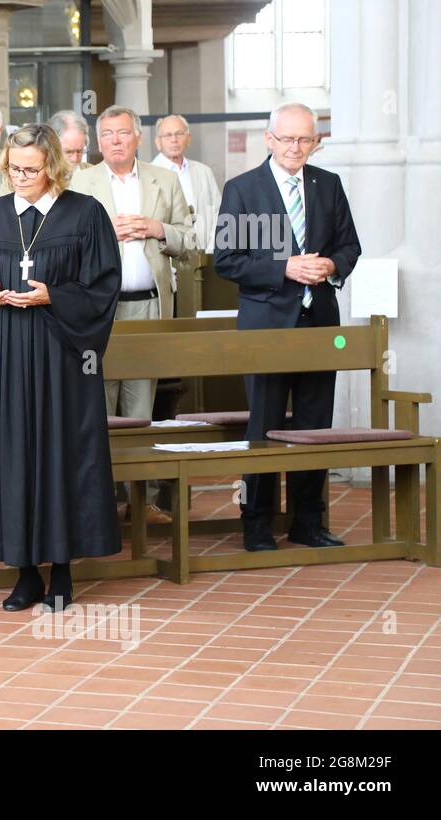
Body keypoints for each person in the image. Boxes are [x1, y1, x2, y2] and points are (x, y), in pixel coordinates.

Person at [0, 123, 122, 613]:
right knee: (13, 455)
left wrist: (54, 295)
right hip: (6, 354)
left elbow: (104, 288)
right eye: (13, 169)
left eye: (31, 169)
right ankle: (24, 573)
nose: (20, 177)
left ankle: (62, 571)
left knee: (62, 453)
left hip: (63, 355)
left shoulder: (85, 215)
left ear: (53, 167)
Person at [214, 102, 361, 552]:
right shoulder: (242, 189)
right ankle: (257, 522)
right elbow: (227, 260)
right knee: (265, 426)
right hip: (266, 328)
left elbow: (350, 247)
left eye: (305, 140)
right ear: (269, 138)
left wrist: (331, 265)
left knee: (314, 425)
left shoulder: (328, 185)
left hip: (319, 323)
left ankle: (307, 521)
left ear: (315, 142)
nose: (296, 148)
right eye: (288, 139)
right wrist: (285, 268)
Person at [69, 104, 195, 524]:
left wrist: (158, 230)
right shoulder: (79, 181)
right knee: (97, 403)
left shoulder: (165, 180)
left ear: (138, 138)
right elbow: (63, 245)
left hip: (148, 305)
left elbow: (192, 241)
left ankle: (140, 502)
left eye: (122, 133)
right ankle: (100, 499)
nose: (115, 141)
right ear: (97, 141)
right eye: (106, 135)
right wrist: (107, 230)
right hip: (96, 312)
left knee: (140, 405)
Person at [152, 114, 222, 253]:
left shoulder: (203, 171)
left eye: (179, 133)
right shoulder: (149, 174)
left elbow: (218, 213)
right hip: (168, 256)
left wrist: (211, 249)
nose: (174, 139)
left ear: (188, 138)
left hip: (205, 253)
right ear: (157, 142)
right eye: (168, 135)